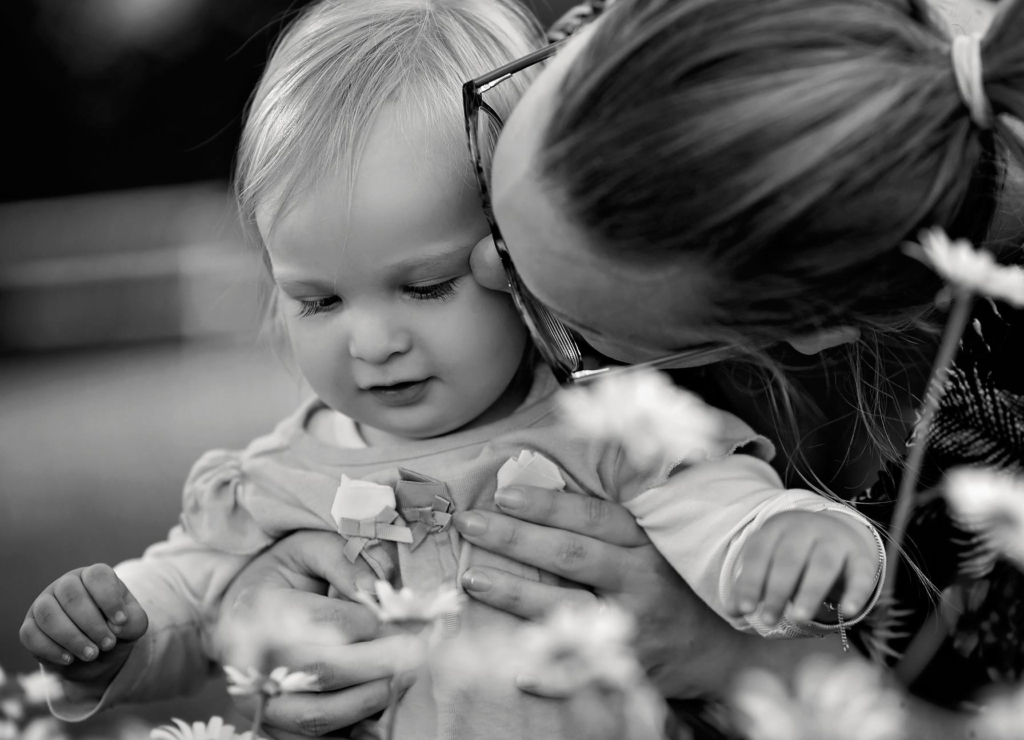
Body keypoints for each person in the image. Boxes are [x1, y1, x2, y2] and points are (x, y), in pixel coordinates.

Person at [19, 0, 888, 738]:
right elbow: (187, 598)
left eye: (424, 286)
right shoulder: (272, 482)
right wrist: (113, 636)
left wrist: (792, 540)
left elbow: (722, 520)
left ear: (520, 252)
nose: (371, 344)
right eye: (318, 301)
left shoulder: (609, 432)